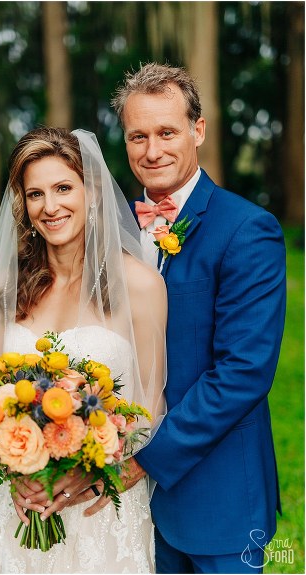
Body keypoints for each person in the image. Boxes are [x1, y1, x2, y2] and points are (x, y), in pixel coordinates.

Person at [110, 62, 286, 574]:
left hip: (219, 498)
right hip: (122, 505)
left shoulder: (247, 230)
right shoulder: (108, 230)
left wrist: (145, 460)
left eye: (167, 132)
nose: (152, 150)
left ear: (198, 130)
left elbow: (243, 372)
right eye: (137, 136)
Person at [0, 127, 167, 573]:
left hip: (101, 506)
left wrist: (93, 469)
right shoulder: (7, 290)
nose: (51, 206)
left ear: (92, 192)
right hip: (22, 503)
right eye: (35, 193)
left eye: (63, 188)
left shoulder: (141, 286)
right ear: (23, 204)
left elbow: (152, 405)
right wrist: (19, 473)